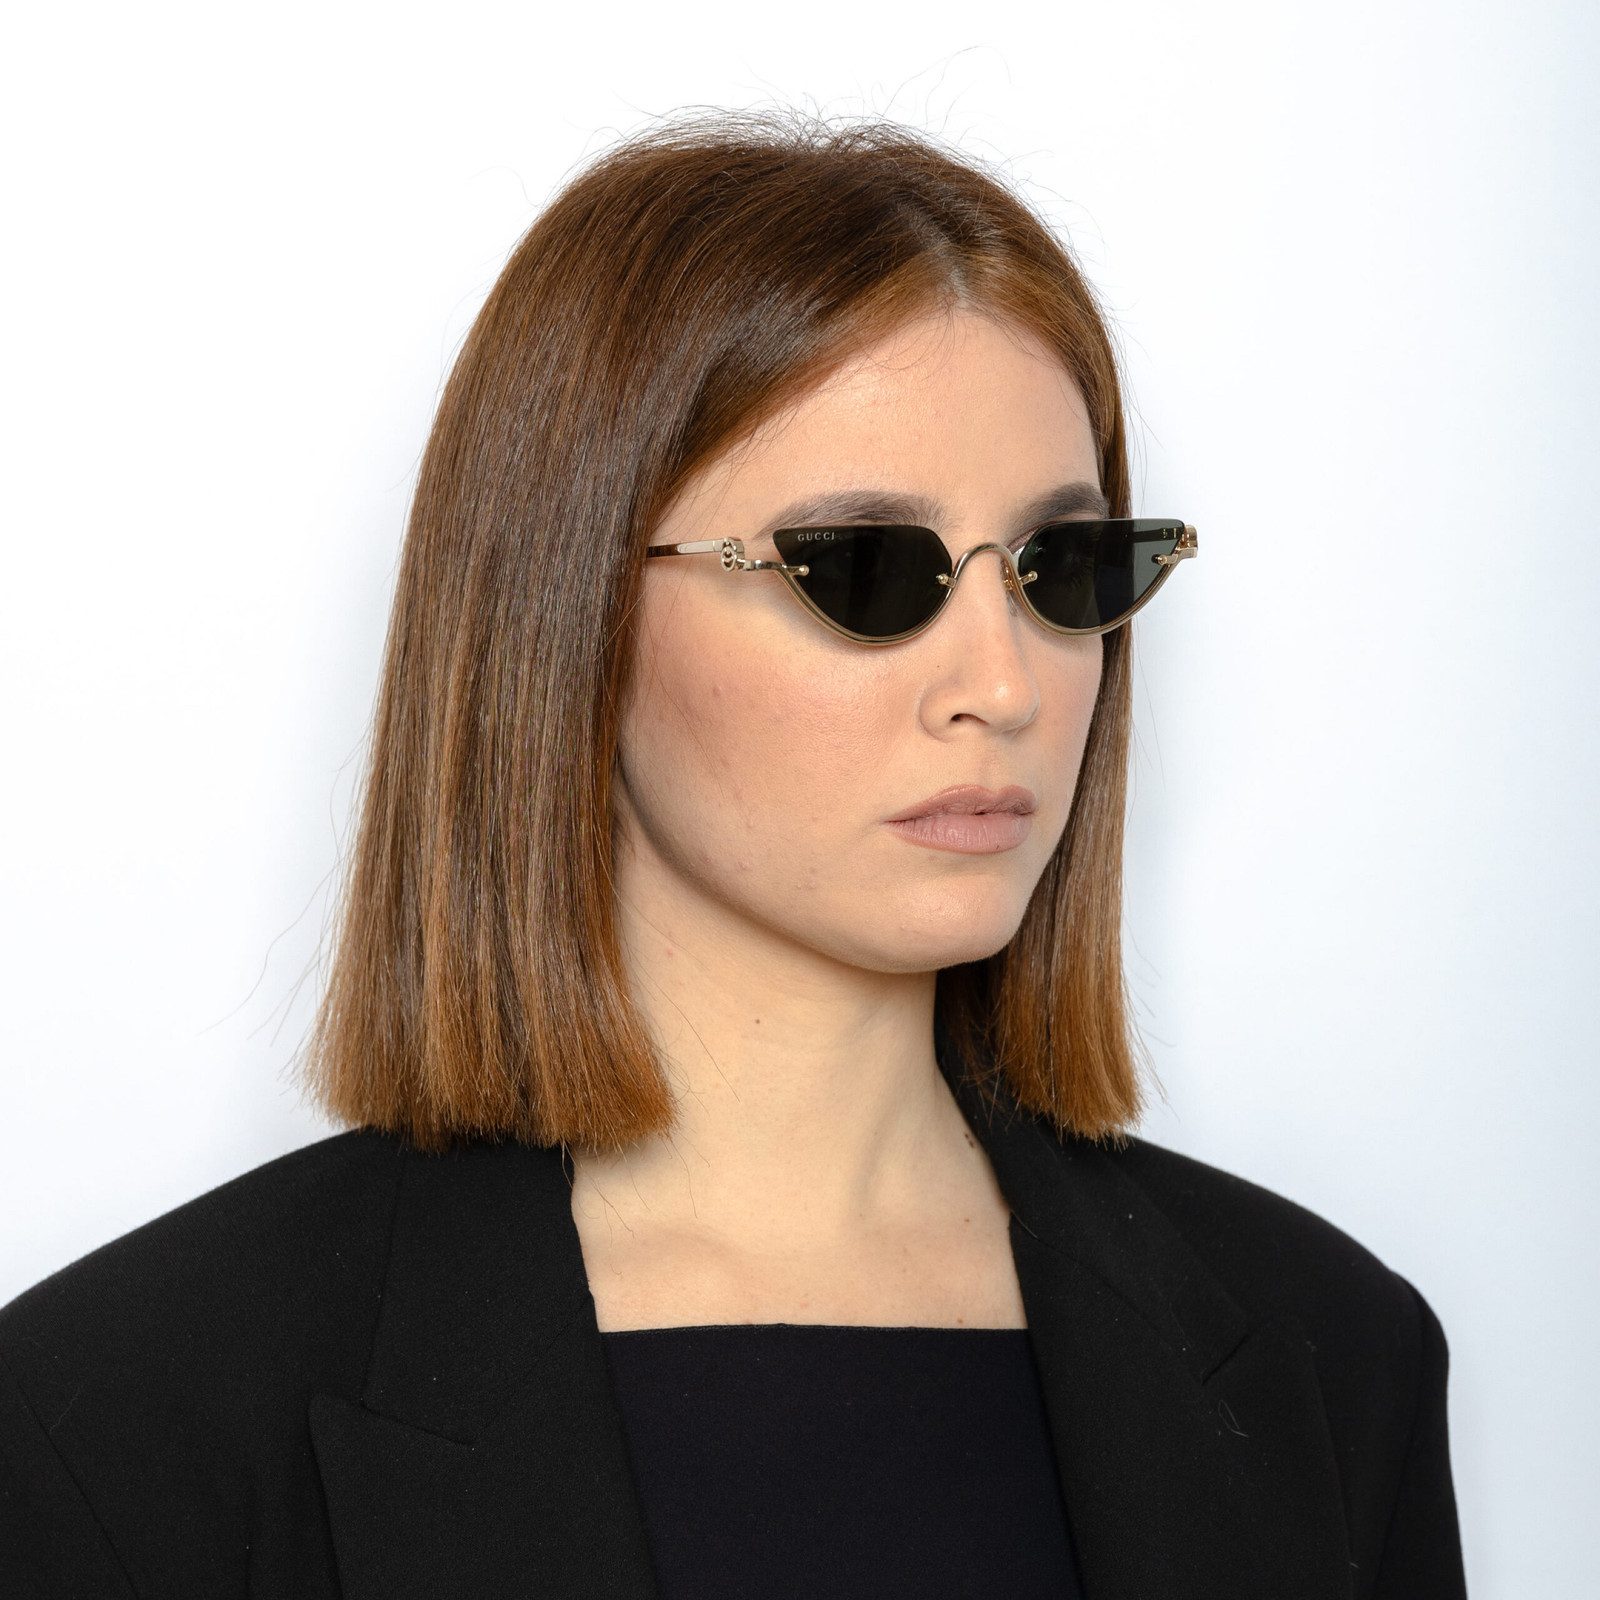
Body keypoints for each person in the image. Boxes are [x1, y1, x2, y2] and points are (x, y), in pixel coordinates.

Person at [0, 115, 1466, 1599]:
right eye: (864, 569)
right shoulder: (118, 1425)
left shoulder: (1336, 1360)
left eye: (1062, 569)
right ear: (570, 608)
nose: (1005, 684)